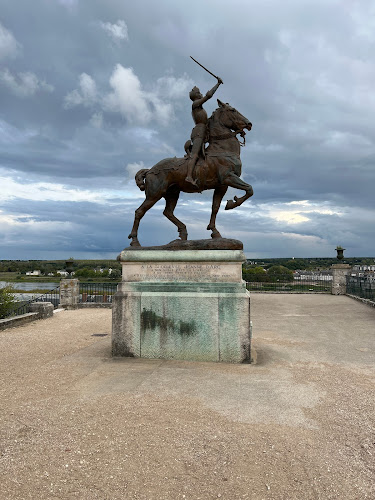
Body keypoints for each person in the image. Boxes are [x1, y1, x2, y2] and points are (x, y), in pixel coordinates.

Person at [185, 77, 223, 187]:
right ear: (196, 96)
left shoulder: (199, 107)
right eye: (199, 93)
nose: (201, 94)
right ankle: (188, 176)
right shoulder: (195, 104)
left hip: (203, 131)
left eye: (201, 93)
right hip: (198, 132)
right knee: (195, 154)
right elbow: (208, 96)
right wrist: (217, 84)